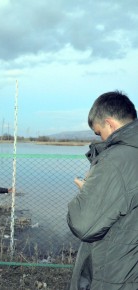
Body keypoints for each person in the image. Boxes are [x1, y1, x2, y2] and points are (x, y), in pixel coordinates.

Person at [67, 91, 138, 290]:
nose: (100, 138)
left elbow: (83, 224)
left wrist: (87, 191)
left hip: (116, 277)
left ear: (110, 124)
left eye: (99, 132)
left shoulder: (116, 160)